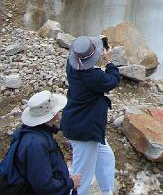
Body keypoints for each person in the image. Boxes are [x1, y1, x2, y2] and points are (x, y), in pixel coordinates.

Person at [61, 35, 121, 195]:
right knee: (82, 177)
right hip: (84, 131)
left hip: (85, 125)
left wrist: (96, 43)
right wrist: (108, 60)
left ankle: (107, 191)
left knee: (106, 158)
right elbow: (112, 80)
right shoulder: (92, 76)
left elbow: (83, 51)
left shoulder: (72, 65)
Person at [0, 90, 80, 194]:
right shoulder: (36, 144)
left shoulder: (36, 134)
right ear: (53, 114)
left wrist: (62, 178)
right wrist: (70, 183)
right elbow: (44, 185)